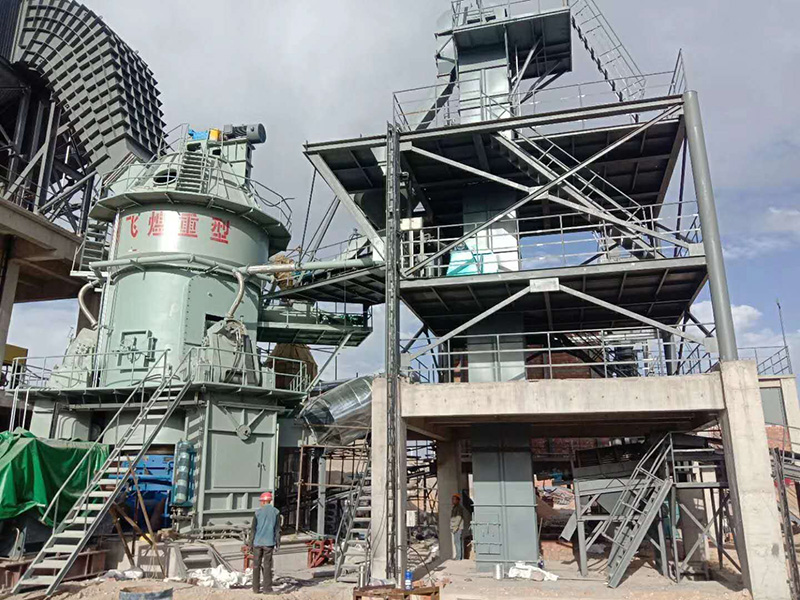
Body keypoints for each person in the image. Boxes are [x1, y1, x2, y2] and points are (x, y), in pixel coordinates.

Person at [248, 491, 281, 594]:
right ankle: (267, 589)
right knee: (267, 566)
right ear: (270, 501)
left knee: (256, 565)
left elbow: (253, 529)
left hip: (257, 543)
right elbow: (277, 530)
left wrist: (250, 544)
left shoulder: (257, 512)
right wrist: (278, 543)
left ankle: (255, 588)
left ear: (263, 501)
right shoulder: (276, 512)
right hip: (269, 543)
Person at [450, 493, 469, 561]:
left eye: (454, 499)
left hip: (458, 528)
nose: (453, 501)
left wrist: (455, 527)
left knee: (457, 542)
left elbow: (458, 518)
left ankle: (459, 557)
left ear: (458, 500)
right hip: (456, 527)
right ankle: (460, 556)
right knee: (458, 542)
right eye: (452, 499)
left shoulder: (459, 508)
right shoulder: (455, 507)